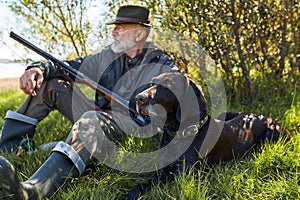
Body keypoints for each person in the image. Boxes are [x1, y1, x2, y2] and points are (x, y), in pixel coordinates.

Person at [0, 5, 179, 199]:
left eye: (120, 27)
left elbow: (178, 90)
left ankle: (34, 191)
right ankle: (7, 151)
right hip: (100, 116)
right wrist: (38, 69)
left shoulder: (162, 63)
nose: (113, 32)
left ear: (138, 34)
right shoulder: (106, 57)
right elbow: (67, 66)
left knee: (92, 119)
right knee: (50, 85)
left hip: (135, 128)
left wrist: (140, 105)